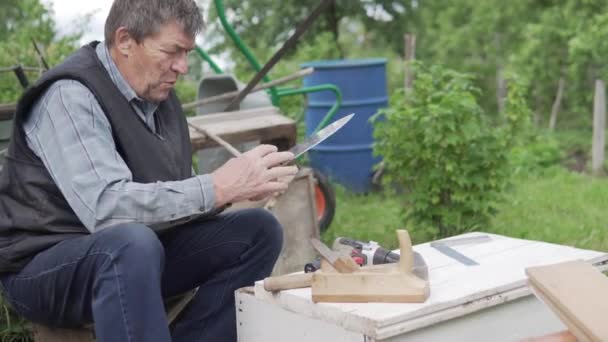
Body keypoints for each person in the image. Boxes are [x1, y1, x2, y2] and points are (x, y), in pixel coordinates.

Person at [0, 0, 298, 341]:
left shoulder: (160, 99)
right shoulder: (70, 96)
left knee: (259, 231)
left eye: (187, 53)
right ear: (125, 40)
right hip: (43, 267)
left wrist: (234, 191)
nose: (182, 67)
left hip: (135, 253)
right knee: (130, 244)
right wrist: (215, 187)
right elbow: (106, 208)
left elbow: (166, 196)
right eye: (172, 51)